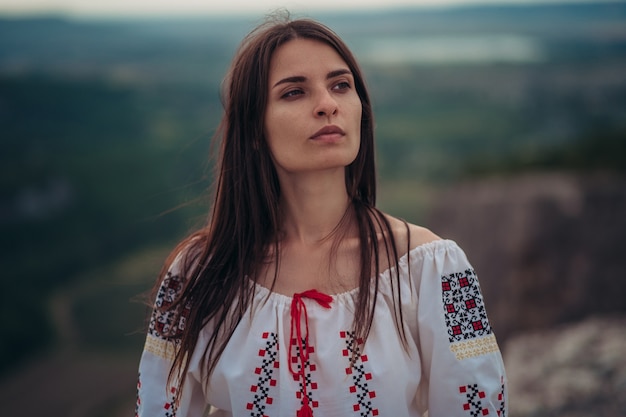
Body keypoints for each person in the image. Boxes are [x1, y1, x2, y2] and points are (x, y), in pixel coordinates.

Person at [136, 15, 507, 417]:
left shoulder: (434, 268)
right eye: (294, 92)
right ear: (254, 128)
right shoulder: (198, 272)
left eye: (340, 85)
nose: (328, 104)